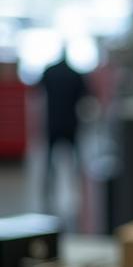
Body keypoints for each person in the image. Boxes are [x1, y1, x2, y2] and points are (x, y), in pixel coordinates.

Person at [38, 50, 90, 213]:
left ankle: (48, 188)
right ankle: (77, 187)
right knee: (75, 158)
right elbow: (85, 95)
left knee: (49, 159)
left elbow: (38, 89)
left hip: (53, 121)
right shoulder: (75, 74)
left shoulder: (49, 72)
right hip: (70, 122)